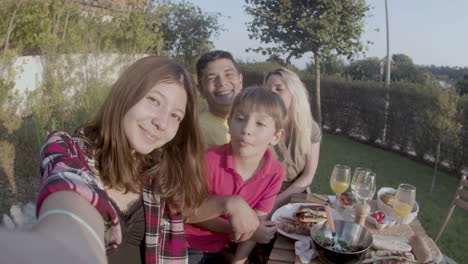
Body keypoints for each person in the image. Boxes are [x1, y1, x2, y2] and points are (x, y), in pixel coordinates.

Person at [0, 56, 259, 264]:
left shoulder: (160, 167)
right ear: (126, 93)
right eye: (154, 100)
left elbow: (183, 211)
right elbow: (70, 207)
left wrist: (228, 203)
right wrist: (66, 247)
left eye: (175, 116)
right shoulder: (67, 148)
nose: (161, 122)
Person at [184, 88, 287, 264]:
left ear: (276, 136)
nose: (246, 129)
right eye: (240, 119)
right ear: (229, 121)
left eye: (260, 124)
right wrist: (240, 229)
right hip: (192, 243)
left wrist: (238, 262)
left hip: (231, 246)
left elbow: (256, 223)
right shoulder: (207, 160)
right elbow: (186, 212)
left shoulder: (276, 172)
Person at [264, 68, 322, 213]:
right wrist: (269, 205)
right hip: (263, 197)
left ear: (294, 93)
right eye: (268, 90)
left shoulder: (310, 128)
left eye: (279, 89)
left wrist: (278, 202)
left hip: (297, 198)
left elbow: (308, 176)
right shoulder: (261, 126)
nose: (272, 94)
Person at [196, 50, 243, 148]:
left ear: (240, 80)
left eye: (228, 75)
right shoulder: (197, 131)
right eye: (212, 78)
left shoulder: (254, 120)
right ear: (200, 89)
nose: (222, 82)